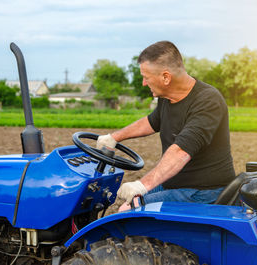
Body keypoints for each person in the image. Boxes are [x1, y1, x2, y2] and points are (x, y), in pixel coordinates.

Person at [96, 41, 235, 211]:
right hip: (174, 184)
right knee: (127, 205)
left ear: (166, 77)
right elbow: (151, 122)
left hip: (205, 192)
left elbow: (181, 151)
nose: (143, 83)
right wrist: (114, 138)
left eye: (146, 77)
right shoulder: (167, 97)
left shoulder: (207, 101)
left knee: (129, 210)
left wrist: (142, 185)